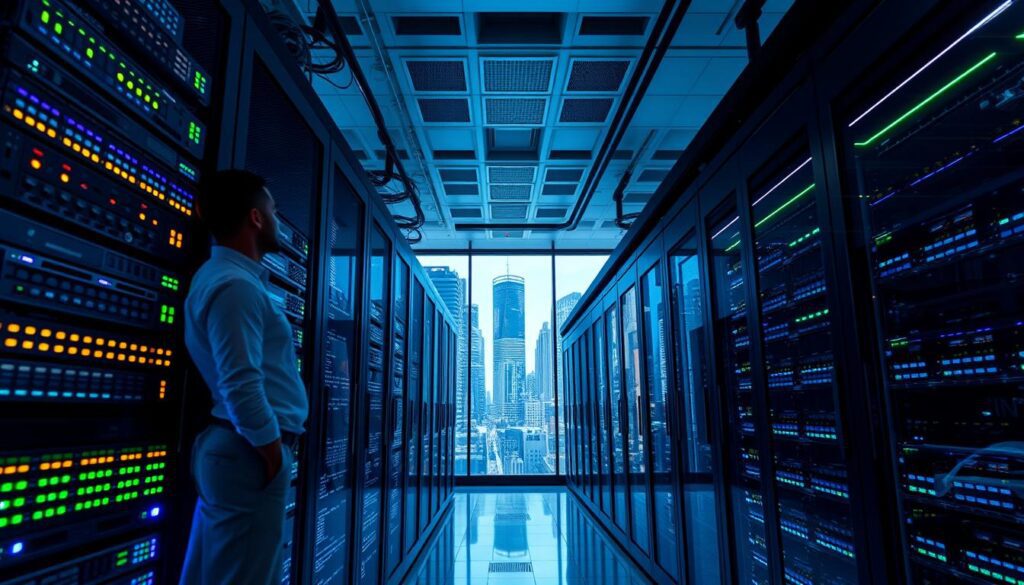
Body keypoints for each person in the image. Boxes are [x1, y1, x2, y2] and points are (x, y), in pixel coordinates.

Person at [180, 170, 308, 585]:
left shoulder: (219, 279)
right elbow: (242, 383)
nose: (276, 218)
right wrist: (272, 454)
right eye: (272, 209)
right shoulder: (237, 287)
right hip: (249, 453)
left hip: (236, 450)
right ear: (255, 218)